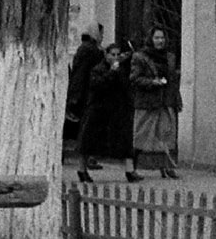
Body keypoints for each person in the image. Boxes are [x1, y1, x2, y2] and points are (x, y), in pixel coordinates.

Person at [127, 26, 181, 180]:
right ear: (151, 39)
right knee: (140, 136)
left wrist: (176, 98)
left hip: (165, 101)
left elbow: (172, 80)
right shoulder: (140, 57)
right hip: (148, 101)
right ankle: (132, 169)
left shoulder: (170, 57)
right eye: (157, 38)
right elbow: (135, 79)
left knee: (167, 135)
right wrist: (152, 82)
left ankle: (167, 167)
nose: (160, 41)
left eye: (162, 38)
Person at [77, 41, 133, 182]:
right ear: (106, 55)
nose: (115, 57)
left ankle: (130, 170)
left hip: (115, 110)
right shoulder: (98, 69)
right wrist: (111, 73)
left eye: (117, 55)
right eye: (112, 54)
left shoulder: (121, 70)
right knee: (87, 142)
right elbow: (97, 85)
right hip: (98, 109)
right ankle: (82, 169)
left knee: (125, 140)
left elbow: (125, 87)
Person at [65, 28, 103, 154]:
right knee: (87, 124)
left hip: (80, 89)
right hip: (86, 90)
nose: (102, 36)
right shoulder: (92, 50)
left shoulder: (83, 48)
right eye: (101, 33)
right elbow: (86, 72)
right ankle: (87, 154)